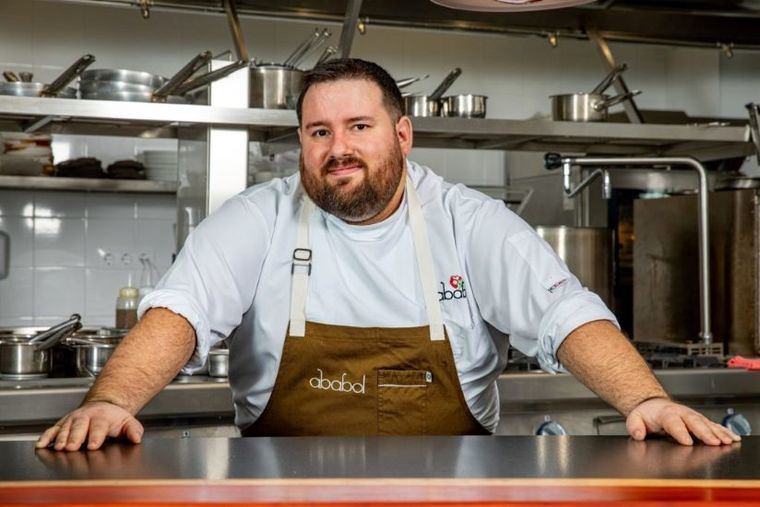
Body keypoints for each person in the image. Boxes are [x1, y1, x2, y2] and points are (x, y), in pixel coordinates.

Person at [38, 58, 739, 451]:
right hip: (281, 493)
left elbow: (564, 315)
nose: (336, 147)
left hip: (453, 493)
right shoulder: (259, 216)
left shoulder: (468, 221)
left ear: (403, 135)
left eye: (358, 126)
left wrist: (643, 397)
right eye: (318, 131)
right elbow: (180, 311)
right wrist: (110, 400)